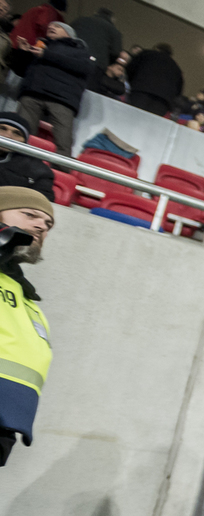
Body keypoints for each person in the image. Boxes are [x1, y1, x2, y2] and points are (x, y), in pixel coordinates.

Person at [0, 186, 53, 467]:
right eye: (29, 215)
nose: (41, 226)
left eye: (48, 224)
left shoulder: (25, 295)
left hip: (6, 424)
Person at [17, 21, 90, 155]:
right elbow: (21, 71)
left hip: (62, 99)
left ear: (69, 34)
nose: (51, 27)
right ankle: (17, 162)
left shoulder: (79, 49)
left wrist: (46, 54)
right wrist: (23, 52)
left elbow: (84, 68)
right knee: (22, 134)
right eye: (50, 26)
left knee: (63, 142)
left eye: (57, 26)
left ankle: (60, 167)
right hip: (32, 93)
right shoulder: (40, 46)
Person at [123, 43, 182, 117]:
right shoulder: (176, 67)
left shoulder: (146, 54)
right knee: (149, 121)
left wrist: (132, 83)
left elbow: (130, 68)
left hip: (141, 90)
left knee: (132, 116)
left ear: (156, 49)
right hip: (163, 101)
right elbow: (178, 89)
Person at [0, 113, 53, 194]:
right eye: (2, 128)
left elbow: (42, 198)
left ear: (24, 141)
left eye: (17, 133)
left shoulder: (38, 170)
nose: (7, 136)